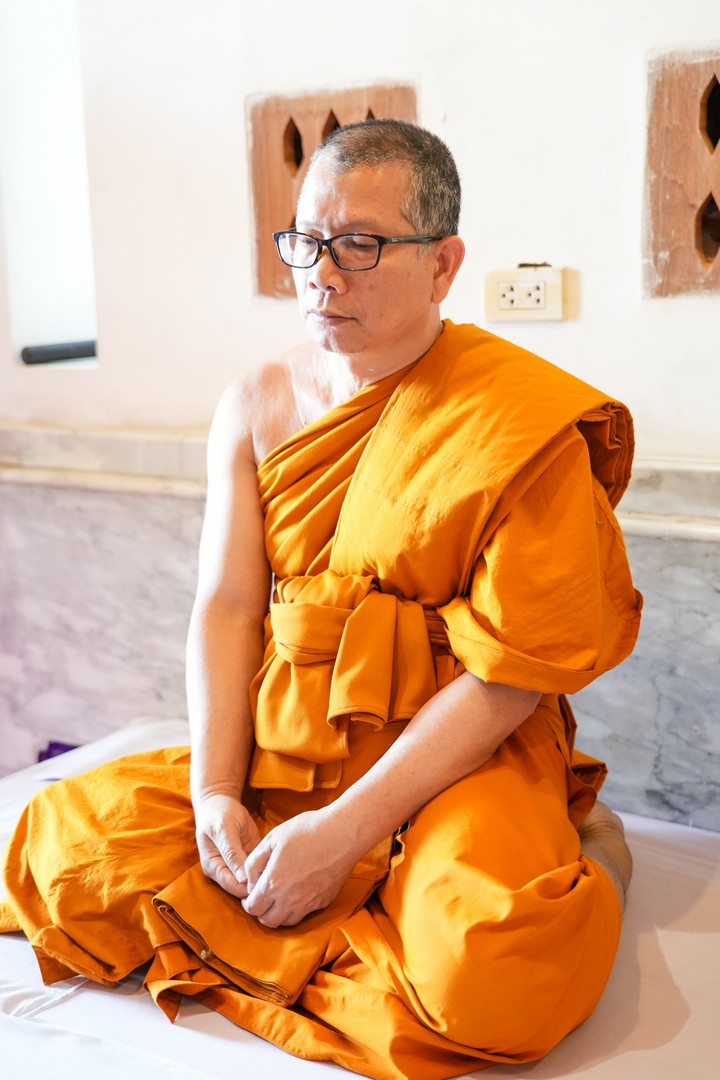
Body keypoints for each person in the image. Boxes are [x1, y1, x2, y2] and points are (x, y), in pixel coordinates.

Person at [0, 120, 640, 1080]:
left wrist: (343, 834)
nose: (322, 275)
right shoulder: (257, 401)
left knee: (494, 972)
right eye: (305, 242)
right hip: (289, 745)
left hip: (459, 755)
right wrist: (216, 794)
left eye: (360, 245)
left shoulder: (521, 422)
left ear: (443, 264)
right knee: (58, 854)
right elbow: (227, 606)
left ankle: (588, 845)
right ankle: (355, 904)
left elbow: (511, 675)